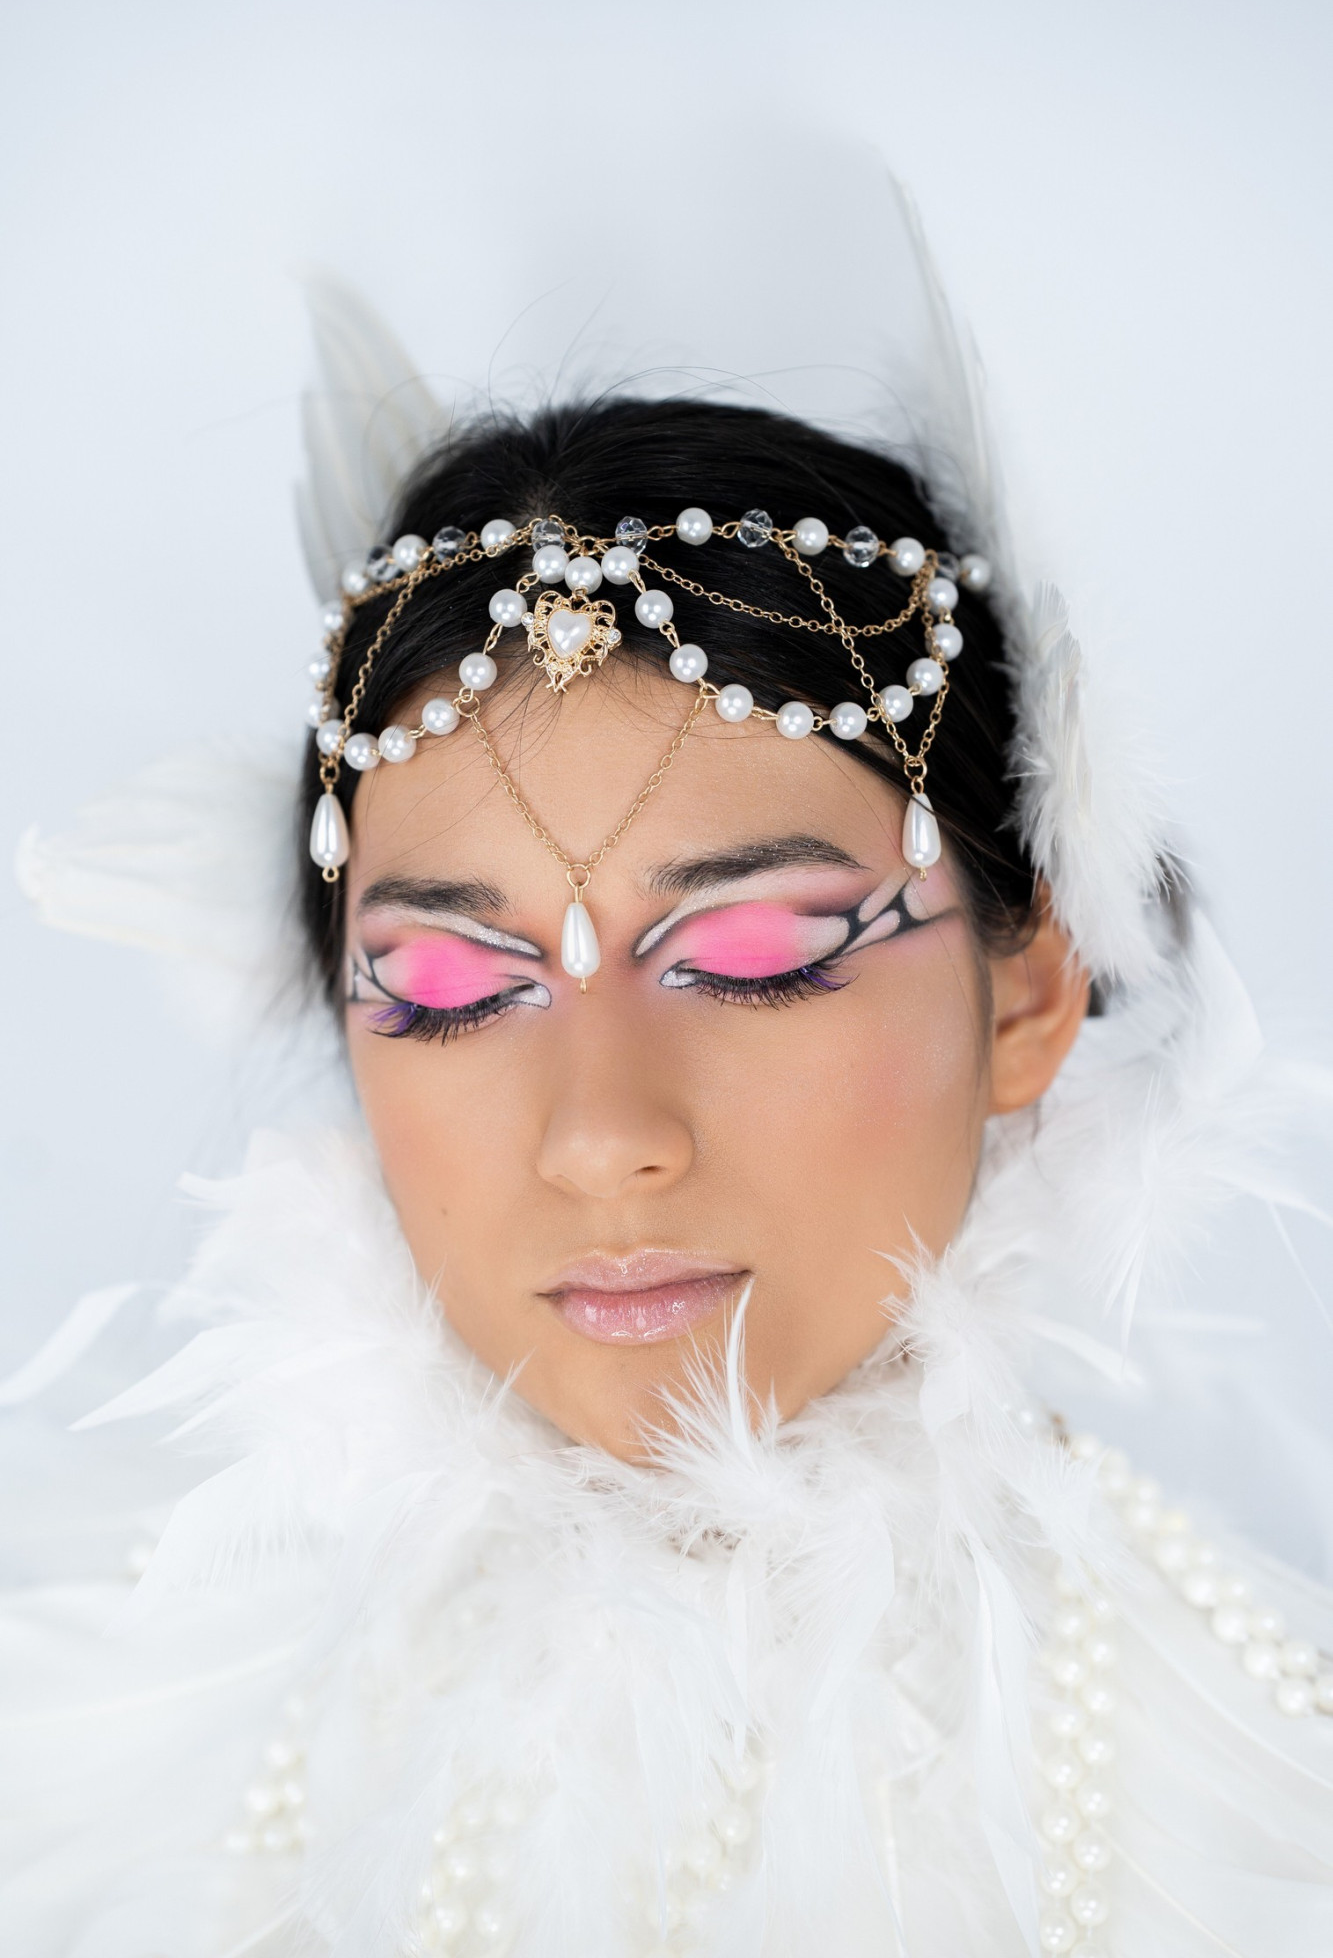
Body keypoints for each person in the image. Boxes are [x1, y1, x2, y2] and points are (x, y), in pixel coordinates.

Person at [5, 222, 1332, 1958]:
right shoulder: (71, 1766)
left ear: (1026, 989)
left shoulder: (1275, 1824)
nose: (603, 1136)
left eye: (756, 957)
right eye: (449, 987)